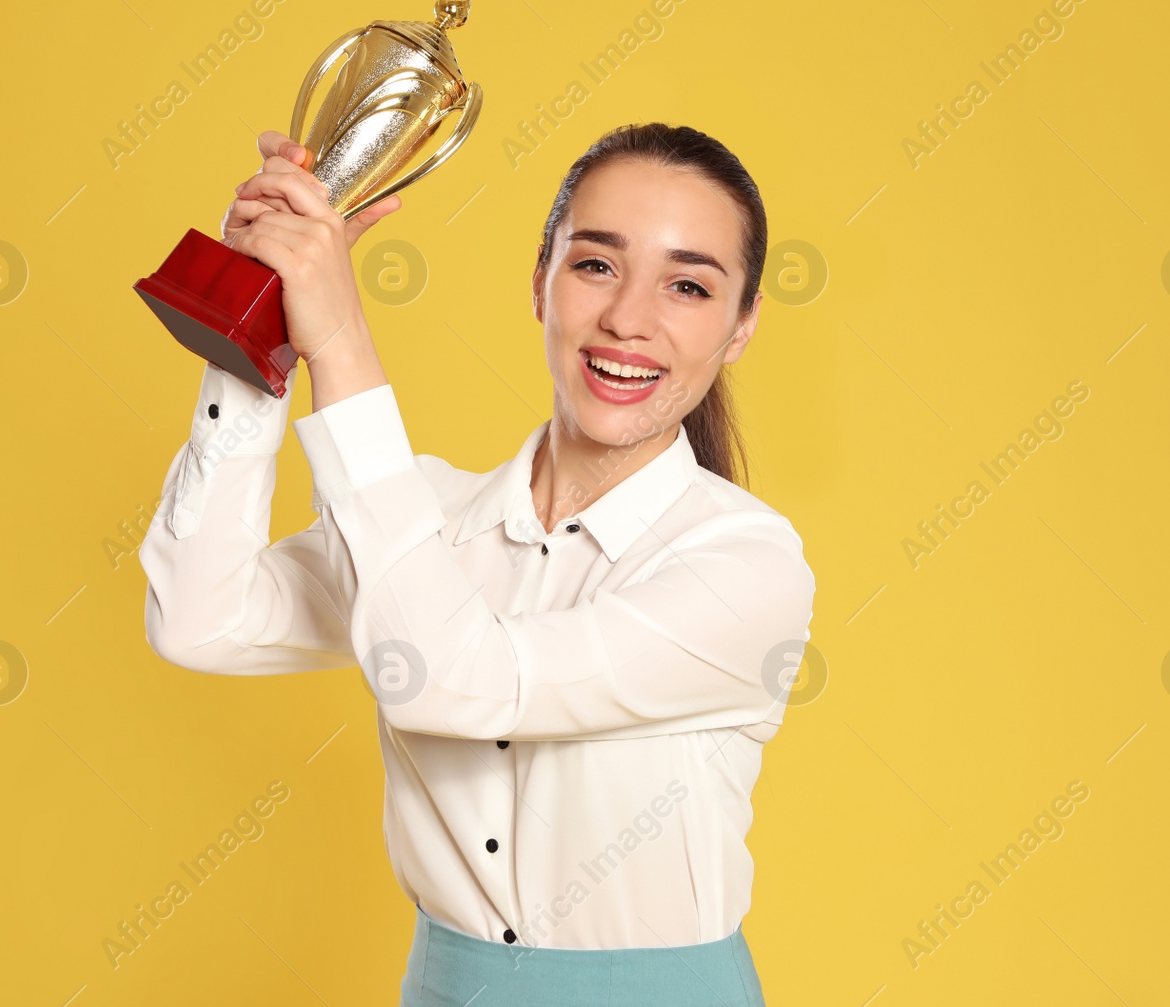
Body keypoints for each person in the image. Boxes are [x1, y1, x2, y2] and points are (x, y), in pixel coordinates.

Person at [138, 121, 817, 1006]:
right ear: (541, 283)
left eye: (688, 285)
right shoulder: (425, 517)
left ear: (741, 326)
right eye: (596, 264)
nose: (628, 319)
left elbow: (456, 679)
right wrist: (257, 322)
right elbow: (202, 621)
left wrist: (342, 338)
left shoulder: (748, 565)